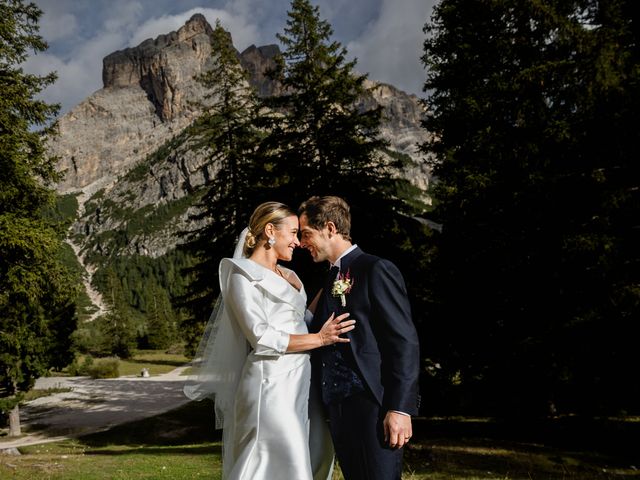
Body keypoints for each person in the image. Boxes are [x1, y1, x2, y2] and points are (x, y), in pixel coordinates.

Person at [184, 201, 355, 480]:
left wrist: (333, 284)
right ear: (270, 231)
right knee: (280, 460)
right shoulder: (242, 276)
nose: (298, 242)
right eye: (293, 233)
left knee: (316, 453)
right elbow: (261, 336)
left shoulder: (290, 275)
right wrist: (320, 339)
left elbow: (299, 321)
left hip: (301, 382)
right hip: (270, 384)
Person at [298, 195, 421, 480]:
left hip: (372, 404)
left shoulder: (375, 269)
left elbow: (404, 342)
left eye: (307, 234)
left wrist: (400, 409)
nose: (303, 243)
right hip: (338, 407)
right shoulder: (330, 279)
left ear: (329, 228)